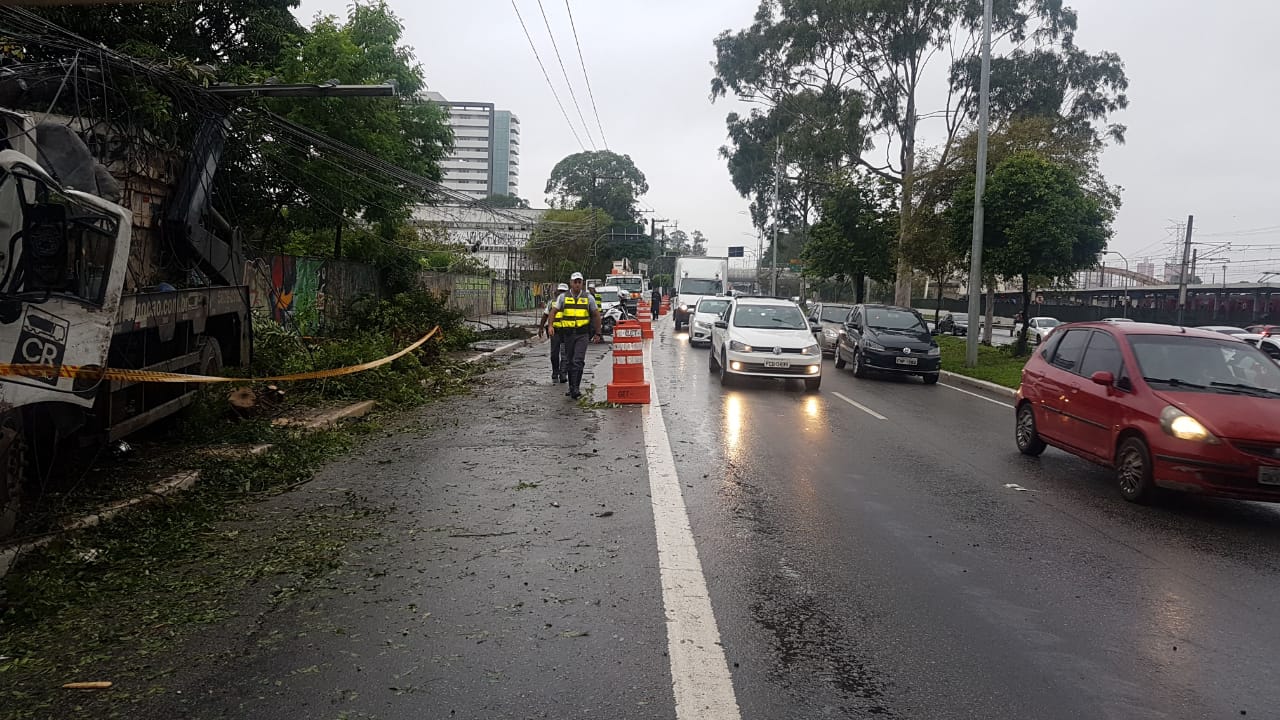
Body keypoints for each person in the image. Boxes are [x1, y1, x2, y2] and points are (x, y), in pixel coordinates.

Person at [548, 272, 602, 400]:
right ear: (571, 283)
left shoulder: (589, 298)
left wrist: (598, 333)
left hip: (582, 334)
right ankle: (571, 387)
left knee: (578, 360)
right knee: (569, 361)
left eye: (579, 282)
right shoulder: (563, 297)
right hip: (568, 334)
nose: (577, 284)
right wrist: (550, 326)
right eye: (575, 282)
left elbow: (596, 315)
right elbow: (553, 312)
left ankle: (576, 388)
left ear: (582, 283)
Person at [539, 282, 570, 383]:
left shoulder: (571, 303)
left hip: (566, 331)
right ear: (557, 292)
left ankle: (563, 373)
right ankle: (555, 372)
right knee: (554, 354)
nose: (561, 294)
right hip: (555, 331)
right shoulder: (552, 303)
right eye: (560, 291)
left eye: (563, 292)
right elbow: (545, 315)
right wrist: (541, 328)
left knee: (565, 354)